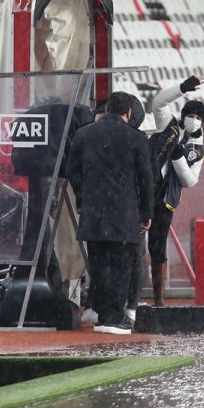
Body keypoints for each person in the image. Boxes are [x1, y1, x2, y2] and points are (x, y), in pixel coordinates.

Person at [67, 91, 153, 334]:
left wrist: (83, 198)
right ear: (128, 112)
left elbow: (72, 170)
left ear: (107, 109)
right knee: (121, 266)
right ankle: (114, 316)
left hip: (93, 211)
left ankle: (103, 312)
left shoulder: (84, 134)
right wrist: (146, 212)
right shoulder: (137, 138)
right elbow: (146, 179)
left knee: (99, 264)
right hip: (124, 213)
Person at [145, 75, 204, 306]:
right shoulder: (168, 124)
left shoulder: (198, 150)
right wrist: (182, 88)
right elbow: (158, 102)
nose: (193, 120)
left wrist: (178, 157)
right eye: (190, 115)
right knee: (130, 244)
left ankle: (158, 300)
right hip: (143, 189)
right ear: (183, 115)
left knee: (157, 247)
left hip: (165, 200)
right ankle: (127, 299)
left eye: (198, 117)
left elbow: (190, 181)